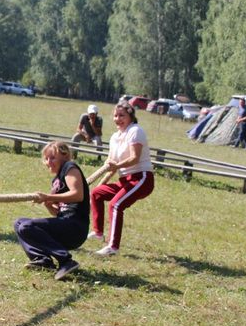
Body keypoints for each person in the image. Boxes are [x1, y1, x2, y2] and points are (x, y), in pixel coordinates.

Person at [14, 141, 89, 281]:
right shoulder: (57, 180)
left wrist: (48, 196)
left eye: (53, 157)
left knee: (27, 226)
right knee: (19, 223)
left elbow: (78, 195)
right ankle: (43, 260)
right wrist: (48, 204)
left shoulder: (69, 167)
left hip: (75, 228)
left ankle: (66, 261)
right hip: (65, 224)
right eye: (46, 158)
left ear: (65, 156)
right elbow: (58, 213)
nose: (49, 162)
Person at [88, 100, 154, 256]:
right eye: (115, 116)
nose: (118, 119)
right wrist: (107, 168)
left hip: (142, 179)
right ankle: (98, 233)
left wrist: (116, 167)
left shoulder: (135, 131)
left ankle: (113, 247)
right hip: (125, 180)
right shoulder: (114, 137)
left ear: (130, 116)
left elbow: (134, 158)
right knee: (96, 193)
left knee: (116, 205)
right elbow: (111, 161)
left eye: (122, 115)